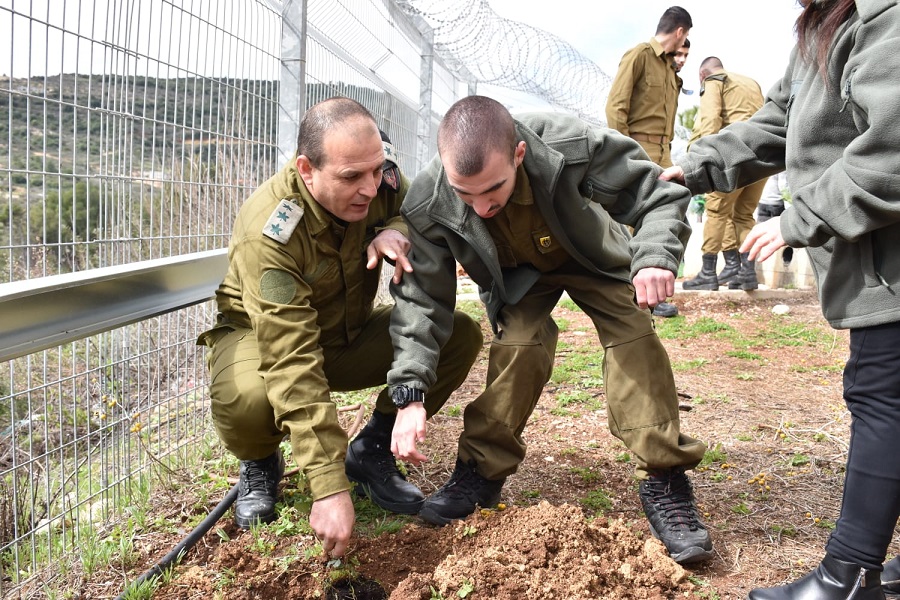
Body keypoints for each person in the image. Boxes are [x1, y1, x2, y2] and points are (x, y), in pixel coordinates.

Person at [387, 95, 713, 564]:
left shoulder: (569, 145)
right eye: (465, 195)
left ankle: (664, 476)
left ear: (519, 154)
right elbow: (421, 300)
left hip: (592, 258)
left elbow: (657, 193)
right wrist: (411, 390)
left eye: (493, 189)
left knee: (633, 336)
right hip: (518, 278)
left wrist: (655, 256)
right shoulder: (429, 200)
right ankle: (480, 472)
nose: (481, 207)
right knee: (518, 348)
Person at [660, 0, 900, 596]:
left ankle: (848, 576)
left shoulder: (885, 18)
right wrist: (695, 166)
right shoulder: (823, 24)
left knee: (881, 397)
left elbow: (893, 147)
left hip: (891, 267)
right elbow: (778, 122)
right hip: (876, 260)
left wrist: (801, 217)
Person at [197, 97, 483, 558]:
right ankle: (260, 462)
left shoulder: (380, 180)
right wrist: (329, 488)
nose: (370, 188)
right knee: (249, 399)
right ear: (307, 170)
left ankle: (371, 449)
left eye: (376, 170)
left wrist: (393, 227)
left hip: (345, 333)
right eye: (351, 177)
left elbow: (412, 211)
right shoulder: (269, 232)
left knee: (457, 334)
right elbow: (290, 357)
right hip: (262, 338)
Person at [606, 6, 692, 318]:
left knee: (667, 216)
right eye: (686, 35)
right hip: (638, 148)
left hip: (664, 152)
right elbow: (616, 106)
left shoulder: (669, 69)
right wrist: (622, 154)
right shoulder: (640, 55)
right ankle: (628, 296)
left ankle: (651, 295)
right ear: (680, 32)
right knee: (632, 223)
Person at [681, 57, 766, 292]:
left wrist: (702, 159)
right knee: (743, 215)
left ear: (702, 75)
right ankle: (746, 272)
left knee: (717, 211)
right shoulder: (751, 83)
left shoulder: (714, 80)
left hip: (733, 156)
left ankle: (707, 273)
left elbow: (710, 122)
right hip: (762, 158)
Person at [755, 171, 793, 266]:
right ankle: (773, 260)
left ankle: (762, 262)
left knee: (762, 233)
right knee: (777, 235)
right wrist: (790, 202)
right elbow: (783, 184)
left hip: (762, 202)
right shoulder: (780, 167)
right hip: (776, 204)